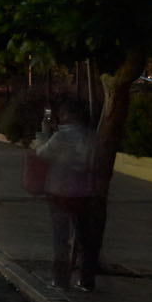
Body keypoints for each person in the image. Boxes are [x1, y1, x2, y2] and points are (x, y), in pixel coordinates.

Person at [33, 97, 97, 291]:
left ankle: (60, 281)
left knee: (61, 239)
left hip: (59, 191)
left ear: (67, 115)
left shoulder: (61, 137)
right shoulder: (90, 136)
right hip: (84, 192)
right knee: (85, 238)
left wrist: (45, 132)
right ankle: (86, 280)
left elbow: (41, 153)